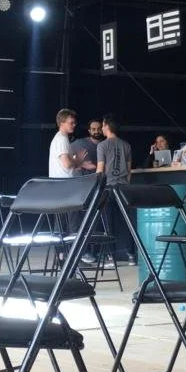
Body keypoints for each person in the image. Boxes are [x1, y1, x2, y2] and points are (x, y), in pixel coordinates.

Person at [95, 114, 135, 262]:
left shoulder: (102, 145)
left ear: (106, 126)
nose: (101, 128)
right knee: (127, 222)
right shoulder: (126, 145)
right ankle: (131, 254)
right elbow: (129, 170)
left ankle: (111, 256)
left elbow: (100, 169)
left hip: (108, 188)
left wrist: (96, 187)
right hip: (123, 188)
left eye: (102, 125)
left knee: (108, 223)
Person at [48, 108, 94, 178]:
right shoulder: (62, 139)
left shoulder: (60, 138)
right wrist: (79, 160)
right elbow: (67, 164)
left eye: (75, 122)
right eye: (71, 123)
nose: (74, 125)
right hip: (63, 182)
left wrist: (81, 164)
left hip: (62, 182)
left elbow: (66, 165)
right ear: (62, 123)